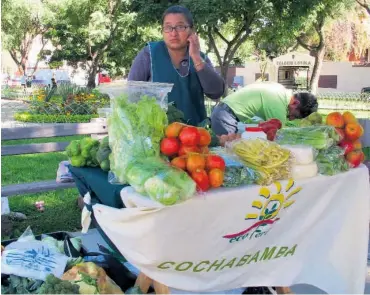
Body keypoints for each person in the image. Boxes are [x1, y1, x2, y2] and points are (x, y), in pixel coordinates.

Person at [128, 5, 225, 126]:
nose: (173, 33)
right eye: (168, 27)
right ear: (162, 31)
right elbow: (131, 94)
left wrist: (195, 57)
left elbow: (216, 92)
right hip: (158, 135)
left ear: (192, 30)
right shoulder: (149, 54)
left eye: (180, 27)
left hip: (193, 136)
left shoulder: (200, 58)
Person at [211, 81, 318, 135]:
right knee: (228, 154)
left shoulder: (279, 90)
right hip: (225, 116)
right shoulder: (278, 105)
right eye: (294, 115)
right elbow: (280, 137)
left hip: (224, 112)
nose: (290, 119)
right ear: (295, 103)